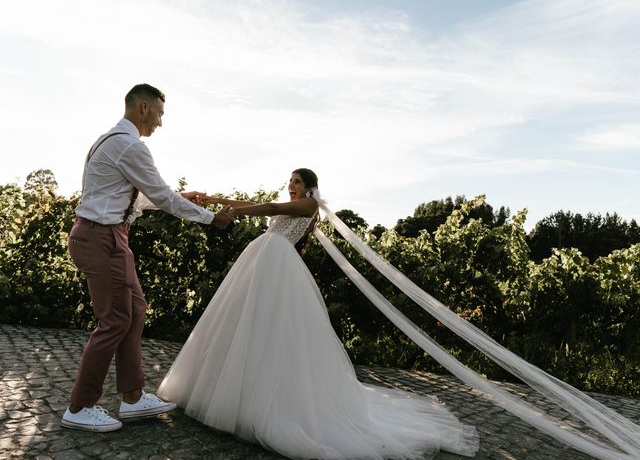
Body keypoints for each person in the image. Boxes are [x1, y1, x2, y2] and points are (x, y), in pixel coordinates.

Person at [157, 168, 479, 459]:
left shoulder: (309, 207)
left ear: (310, 188)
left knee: (272, 327)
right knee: (244, 324)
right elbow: (254, 203)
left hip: (278, 264)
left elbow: (270, 209)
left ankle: (262, 402)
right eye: (290, 180)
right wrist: (213, 199)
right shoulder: (293, 204)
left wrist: (227, 212)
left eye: (297, 181)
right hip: (262, 260)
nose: (291, 185)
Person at [62, 84, 233, 432]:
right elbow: (165, 199)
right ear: (143, 108)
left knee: (134, 310)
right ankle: (79, 407)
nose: (160, 122)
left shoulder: (108, 142)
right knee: (114, 321)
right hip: (101, 238)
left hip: (109, 235)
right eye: (159, 113)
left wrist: (180, 196)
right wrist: (210, 217)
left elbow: (138, 200)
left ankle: (133, 397)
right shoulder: (129, 146)